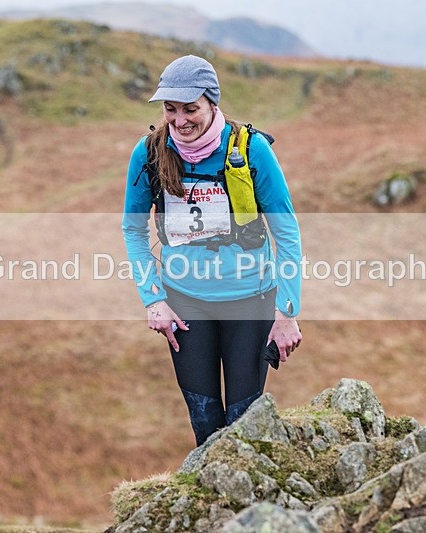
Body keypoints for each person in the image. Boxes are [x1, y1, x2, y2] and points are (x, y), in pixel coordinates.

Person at [122, 55, 302, 447]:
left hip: (251, 301)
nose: (180, 120)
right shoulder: (149, 153)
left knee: (243, 429)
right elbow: (132, 231)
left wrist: (287, 313)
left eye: (191, 109)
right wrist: (153, 300)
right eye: (170, 109)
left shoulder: (251, 149)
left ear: (212, 104)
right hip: (185, 305)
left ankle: (251, 508)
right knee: (205, 425)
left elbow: (286, 233)